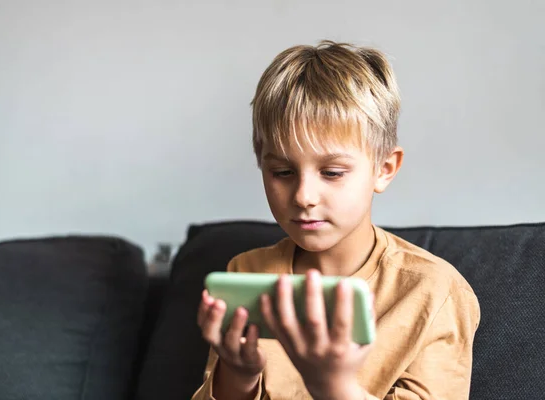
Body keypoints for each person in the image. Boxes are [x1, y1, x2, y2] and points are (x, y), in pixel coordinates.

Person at [192, 40, 480, 400]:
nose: (303, 196)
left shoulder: (431, 291)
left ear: (384, 169)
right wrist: (238, 376)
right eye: (282, 172)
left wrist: (334, 386)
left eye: (331, 172)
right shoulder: (246, 273)